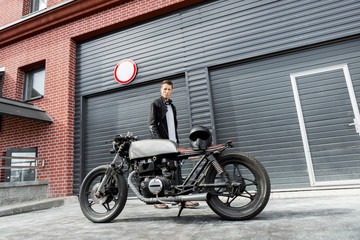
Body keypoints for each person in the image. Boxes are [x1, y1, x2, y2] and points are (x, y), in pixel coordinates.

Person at [148, 80, 199, 209]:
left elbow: (173, 126)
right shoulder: (156, 104)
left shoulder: (172, 107)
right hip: (161, 144)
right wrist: (159, 142)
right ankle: (157, 201)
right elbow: (152, 125)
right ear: (161, 90)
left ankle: (181, 200)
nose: (167, 91)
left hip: (173, 143)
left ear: (172, 91)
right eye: (164, 89)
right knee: (159, 171)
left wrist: (176, 141)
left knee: (176, 170)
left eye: (169, 89)